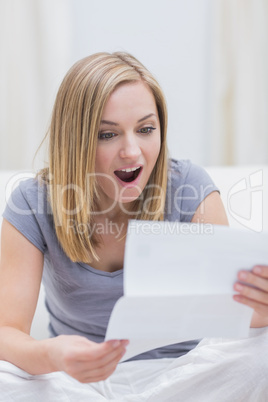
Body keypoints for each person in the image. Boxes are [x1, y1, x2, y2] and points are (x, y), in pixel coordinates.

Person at [0, 52, 267, 400]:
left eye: (145, 130)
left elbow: (230, 325)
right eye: (107, 134)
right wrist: (53, 355)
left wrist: (260, 312)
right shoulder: (32, 202)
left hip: (183, 378)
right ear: (75, 139)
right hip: (76, 383)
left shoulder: (190, 187)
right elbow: (7, 331)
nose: (132, 151)